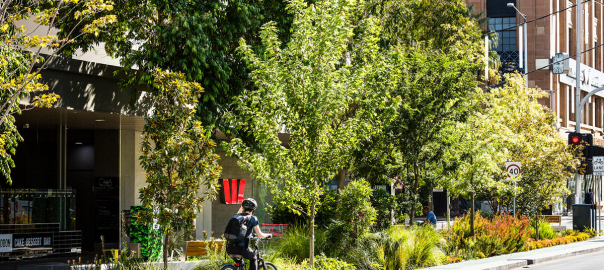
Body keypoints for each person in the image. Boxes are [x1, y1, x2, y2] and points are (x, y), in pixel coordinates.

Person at [225, 198, 272, 270]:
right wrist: (268, 235)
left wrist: (241, 207)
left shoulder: (236, 217)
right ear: (254, 209)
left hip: (230, 248)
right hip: (242, 249)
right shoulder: (253, 218)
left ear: (243, 207)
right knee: (253, 258)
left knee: (240, 264)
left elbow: (237, 214)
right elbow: (259, 235)